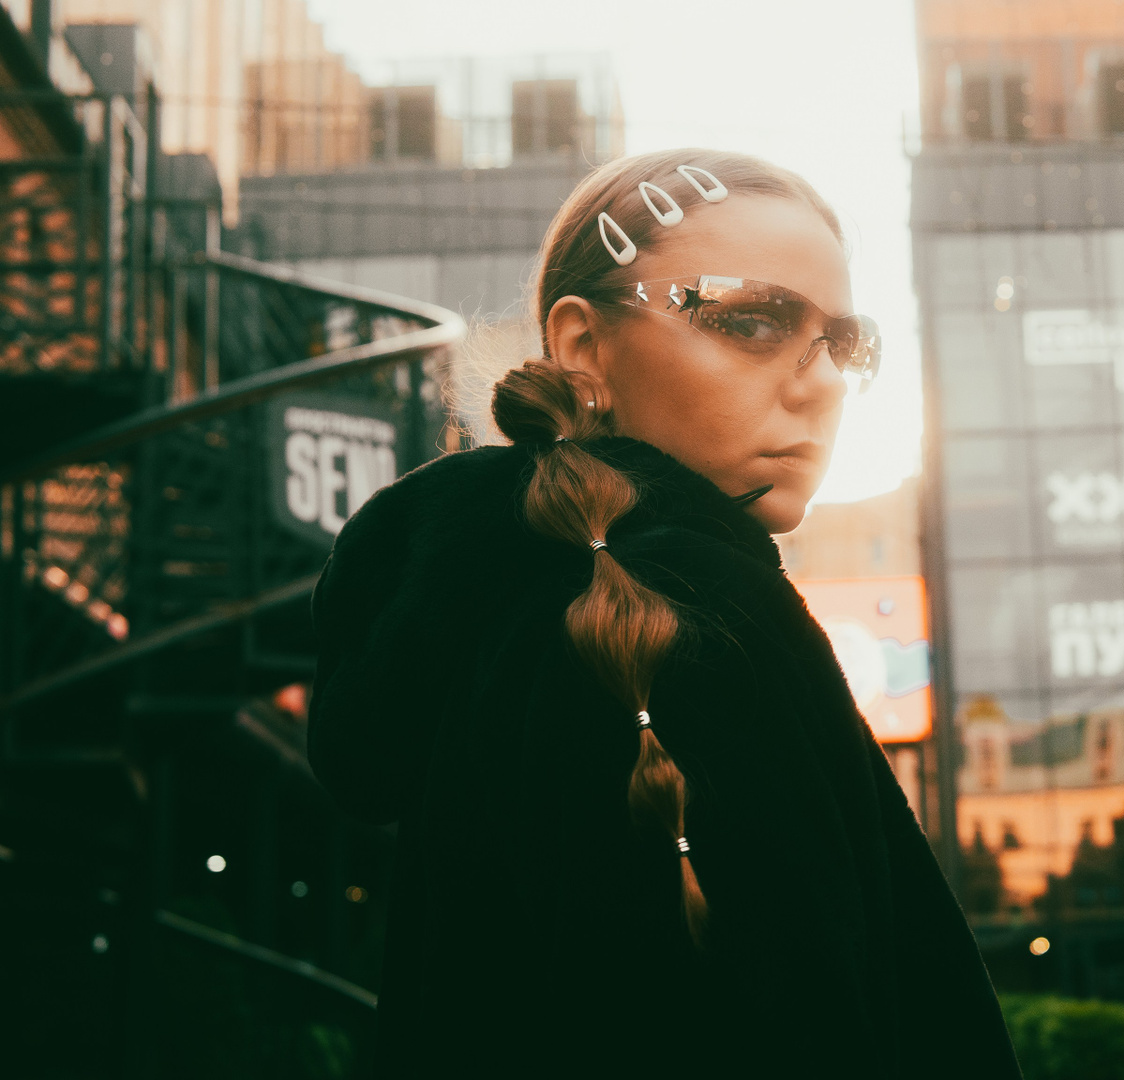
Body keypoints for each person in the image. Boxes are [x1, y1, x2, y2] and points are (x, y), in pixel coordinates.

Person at [307, 149, 1020, 1077]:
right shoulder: (689, 620)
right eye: (751, 321)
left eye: (846, 344)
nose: (824, 384)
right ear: (582, 347)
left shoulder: (500, 616)